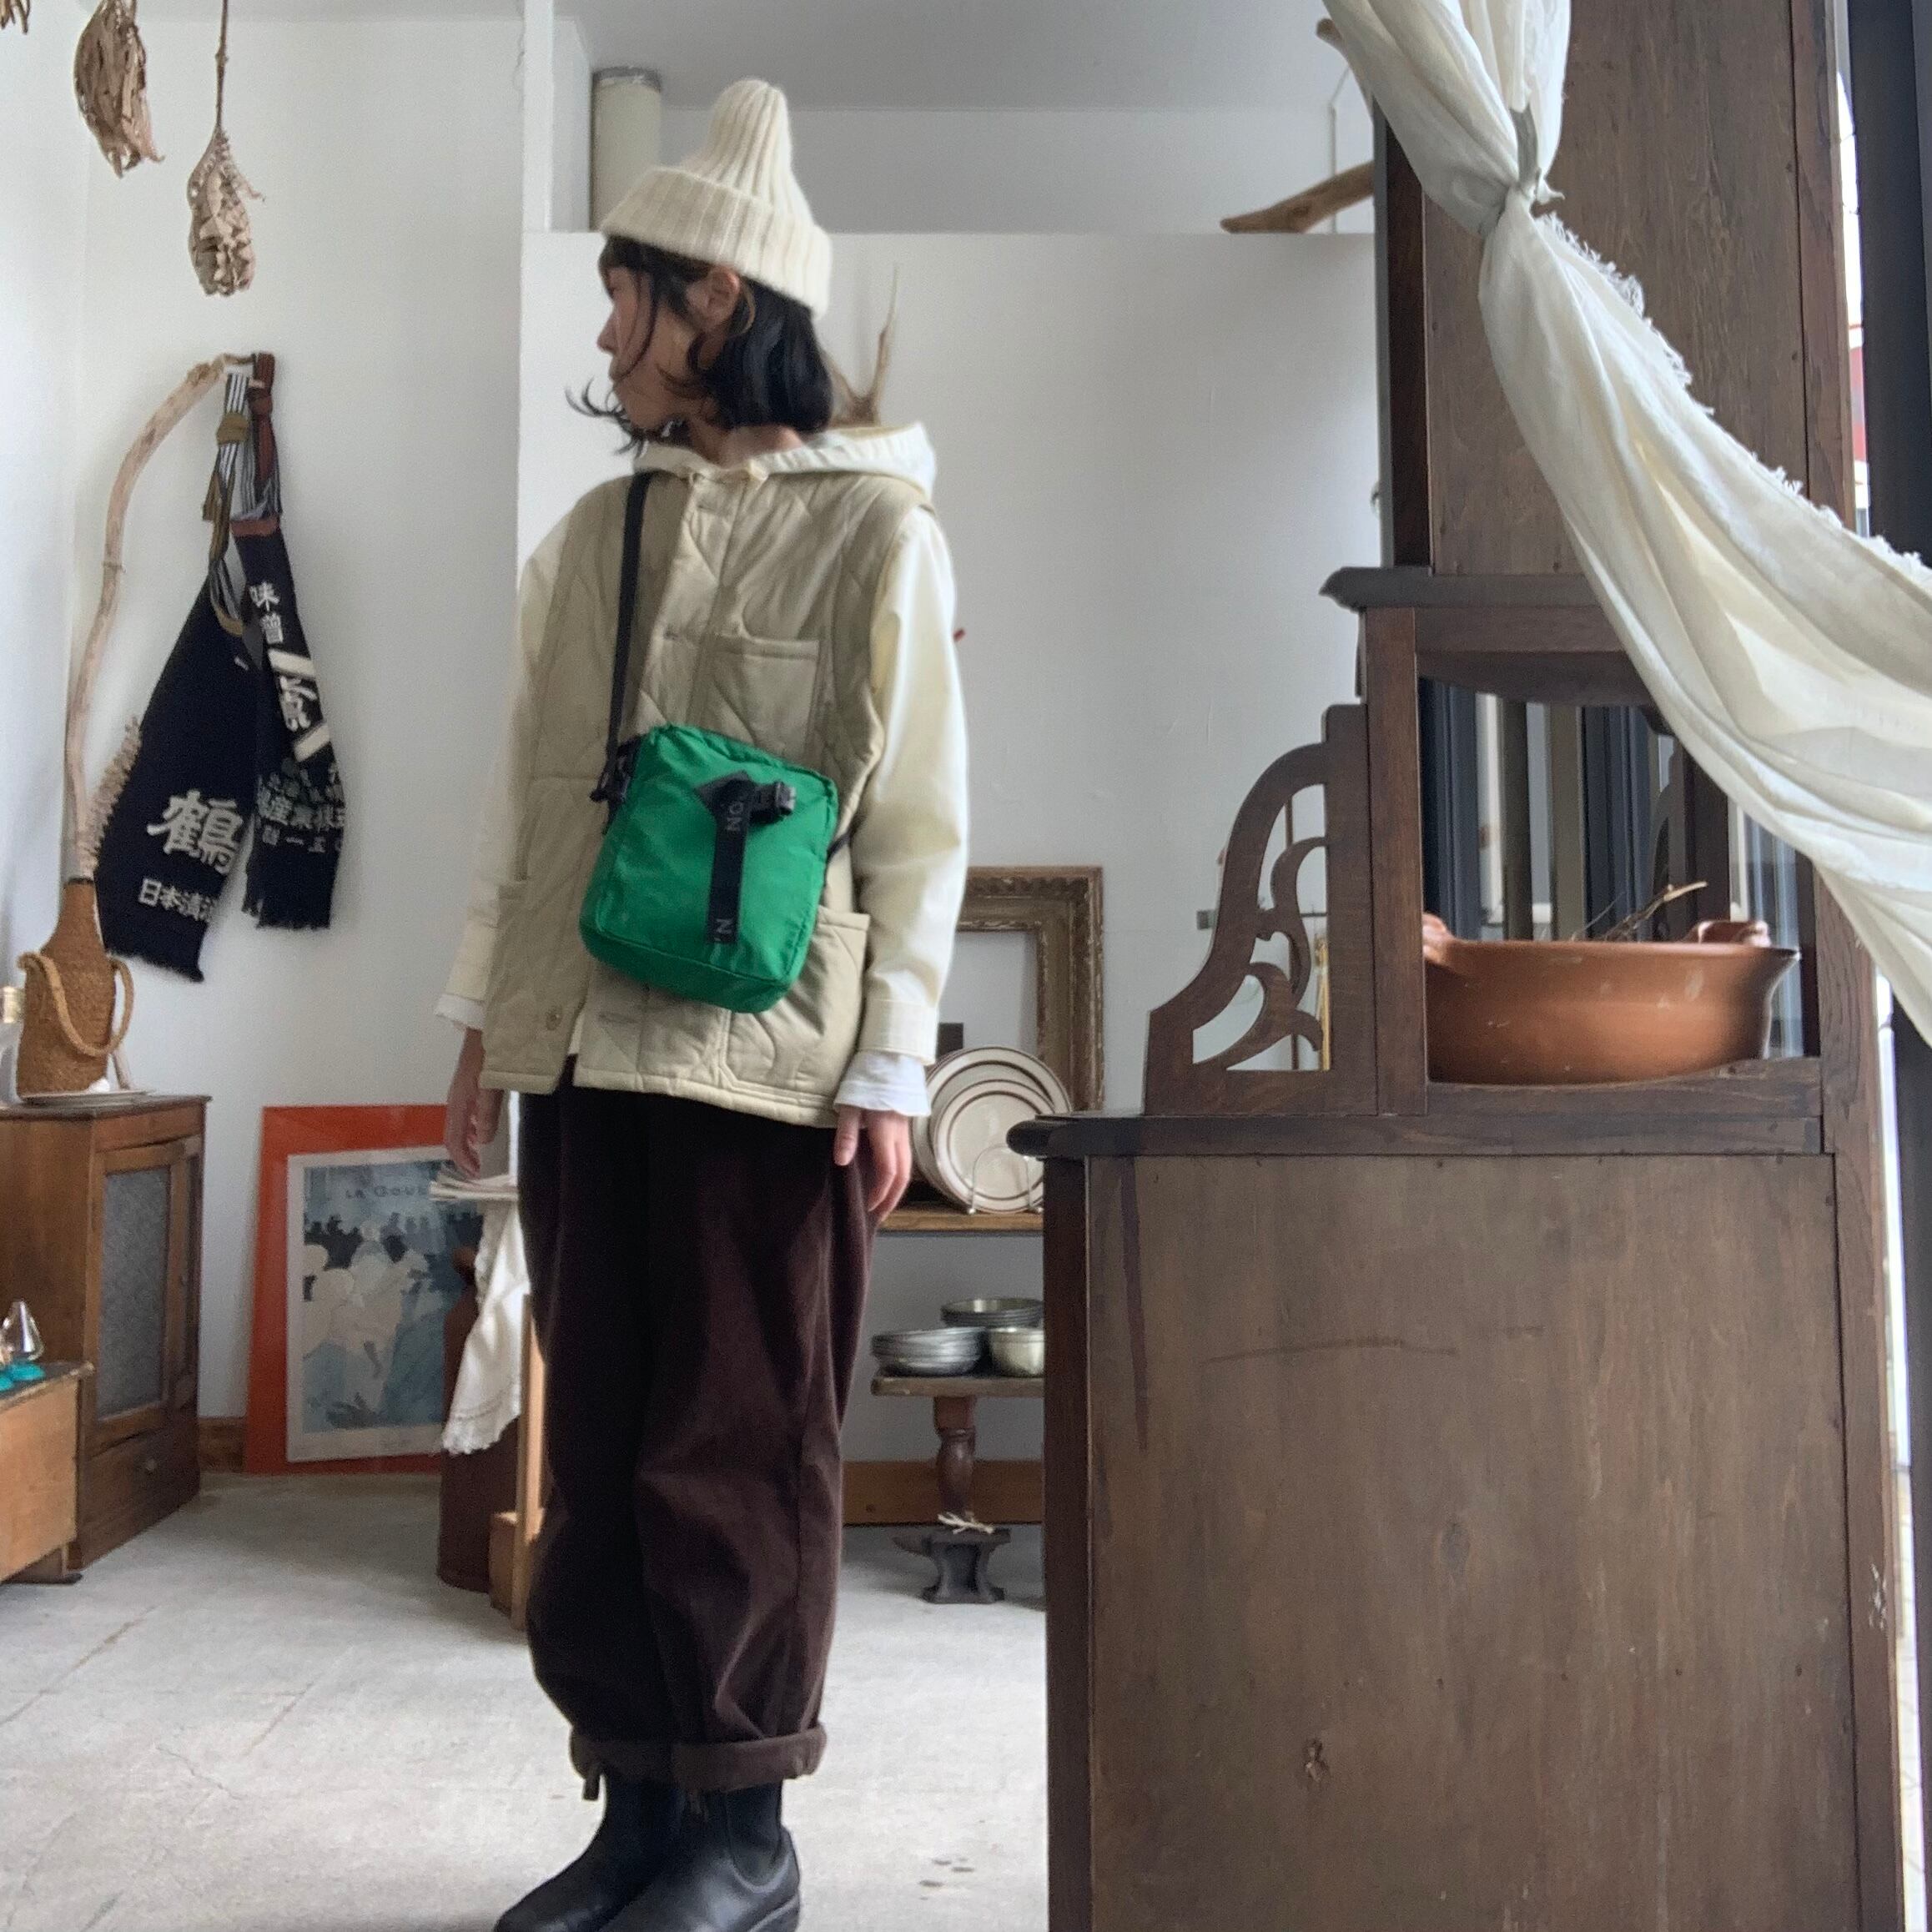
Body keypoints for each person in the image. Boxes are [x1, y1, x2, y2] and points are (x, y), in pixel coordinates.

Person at [439, 77, 969, 1932]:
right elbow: (526, 805)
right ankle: (640, 1809)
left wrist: (893, 1067)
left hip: (773, 1074)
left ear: (718, 298)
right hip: (588, 1048)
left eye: (627, 294)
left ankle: (746, 1835)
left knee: (737, 1445)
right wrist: (483, 1033)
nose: (607, 335)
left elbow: (918, 827)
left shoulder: (881, 534)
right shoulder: (595, 537)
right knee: (598, 1444)